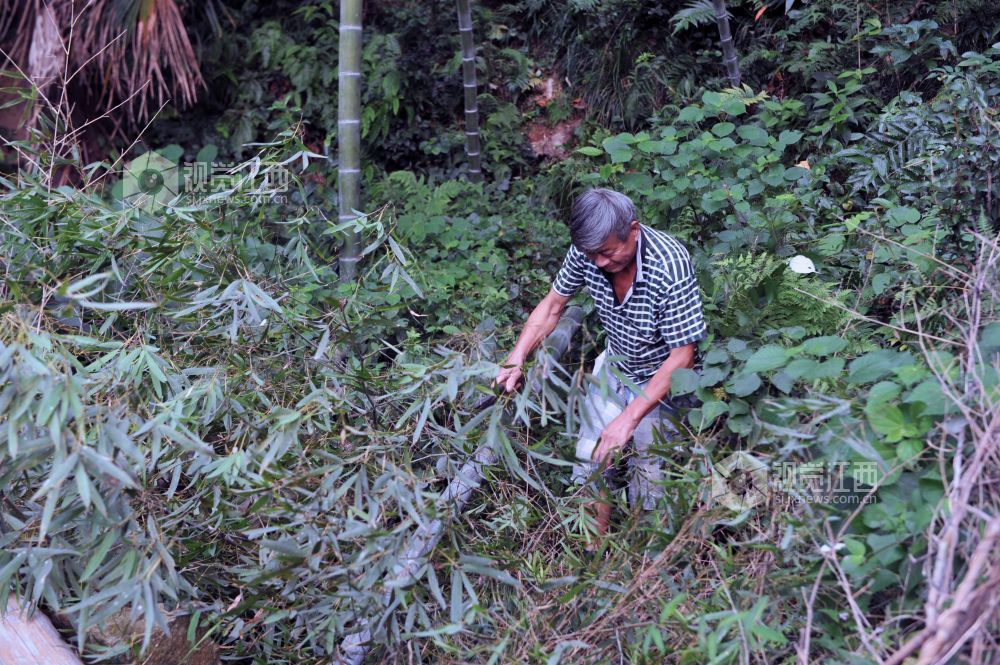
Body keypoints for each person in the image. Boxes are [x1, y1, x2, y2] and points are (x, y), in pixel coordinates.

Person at [495, 188, 706, 537]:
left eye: (608, 253)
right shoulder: (588, 251)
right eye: (592, 254)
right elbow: (552, 306)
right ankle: (593, 552)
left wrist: (628, 419)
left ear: (633, 230)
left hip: (662, 382)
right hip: (617, 368)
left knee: (651, 480)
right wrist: (516, 358)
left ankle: (647, 559)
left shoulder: (669, 264)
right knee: (592, 460)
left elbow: (682, 356)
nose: (599, 263)